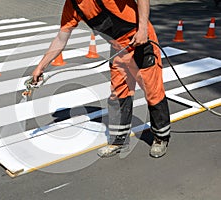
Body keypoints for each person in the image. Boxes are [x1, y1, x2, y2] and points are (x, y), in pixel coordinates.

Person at [31, 0, 171, 158]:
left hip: (141, 43)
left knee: (153, 92)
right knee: (118, 95)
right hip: (119, 49)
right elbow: (61, 39)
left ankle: (161, 138)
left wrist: (143, 28)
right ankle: (118, 141)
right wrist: (40, 67)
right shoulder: (73, 6)